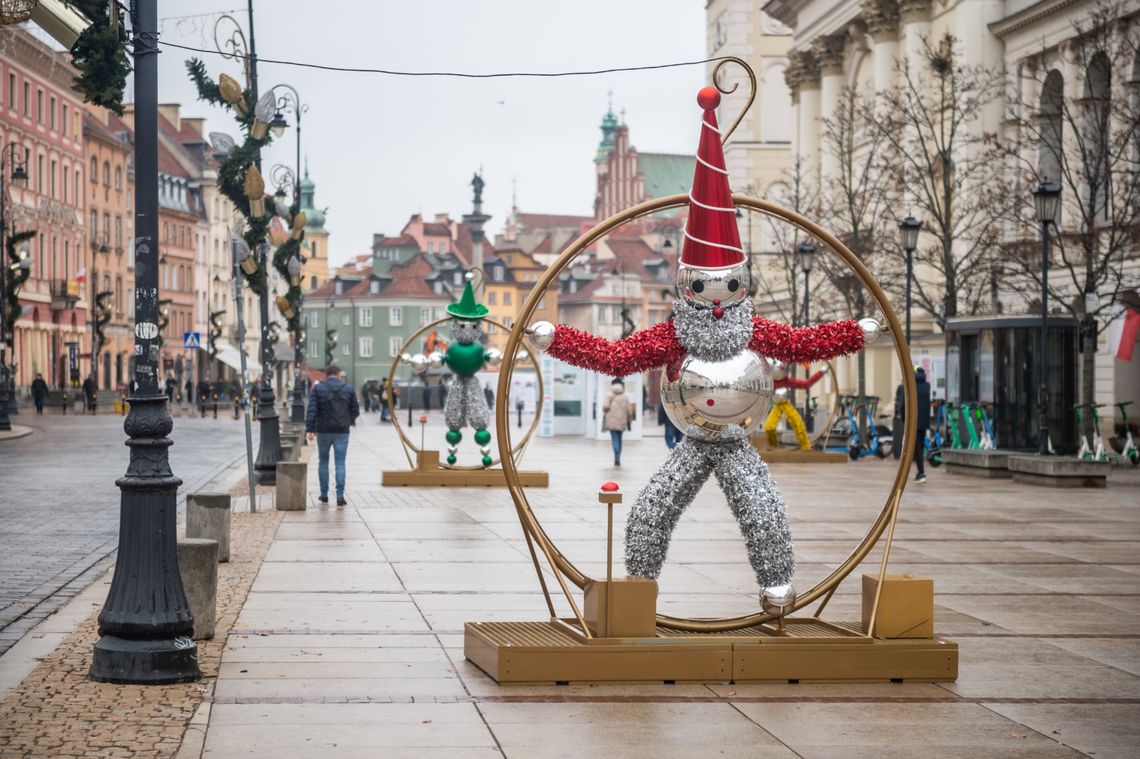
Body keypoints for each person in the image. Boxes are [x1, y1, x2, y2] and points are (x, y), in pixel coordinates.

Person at [306, 364, 360, 506]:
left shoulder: (318, 388)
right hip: (342, 431)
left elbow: (312, 410)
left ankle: (324, 495)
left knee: (323, 461)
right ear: (339, 374)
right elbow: (356, 410)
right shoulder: (348, 389)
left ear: (326, 375)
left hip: (323, 431)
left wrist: (310, 429)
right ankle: (340, 496)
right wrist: (347, 421)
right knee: (340, 463)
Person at [902, 366, 932, 484]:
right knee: (919, 446)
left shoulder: (911, 386)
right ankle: (920, 471)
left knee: (916, 448)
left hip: (914, 421)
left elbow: (906, 404)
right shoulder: (927, 386)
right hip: (924, 422)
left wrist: (905, 419)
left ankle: (921, 472)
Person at [603, 379, 631, 466]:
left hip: (611, 421)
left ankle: (616, 457)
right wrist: (629, 421)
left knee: (614, 439)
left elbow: (605, 407)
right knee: (619, 439)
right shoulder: (625, 397)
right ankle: (618, 457)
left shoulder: (608, 395)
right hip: (622, 421)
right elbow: (628, 411)